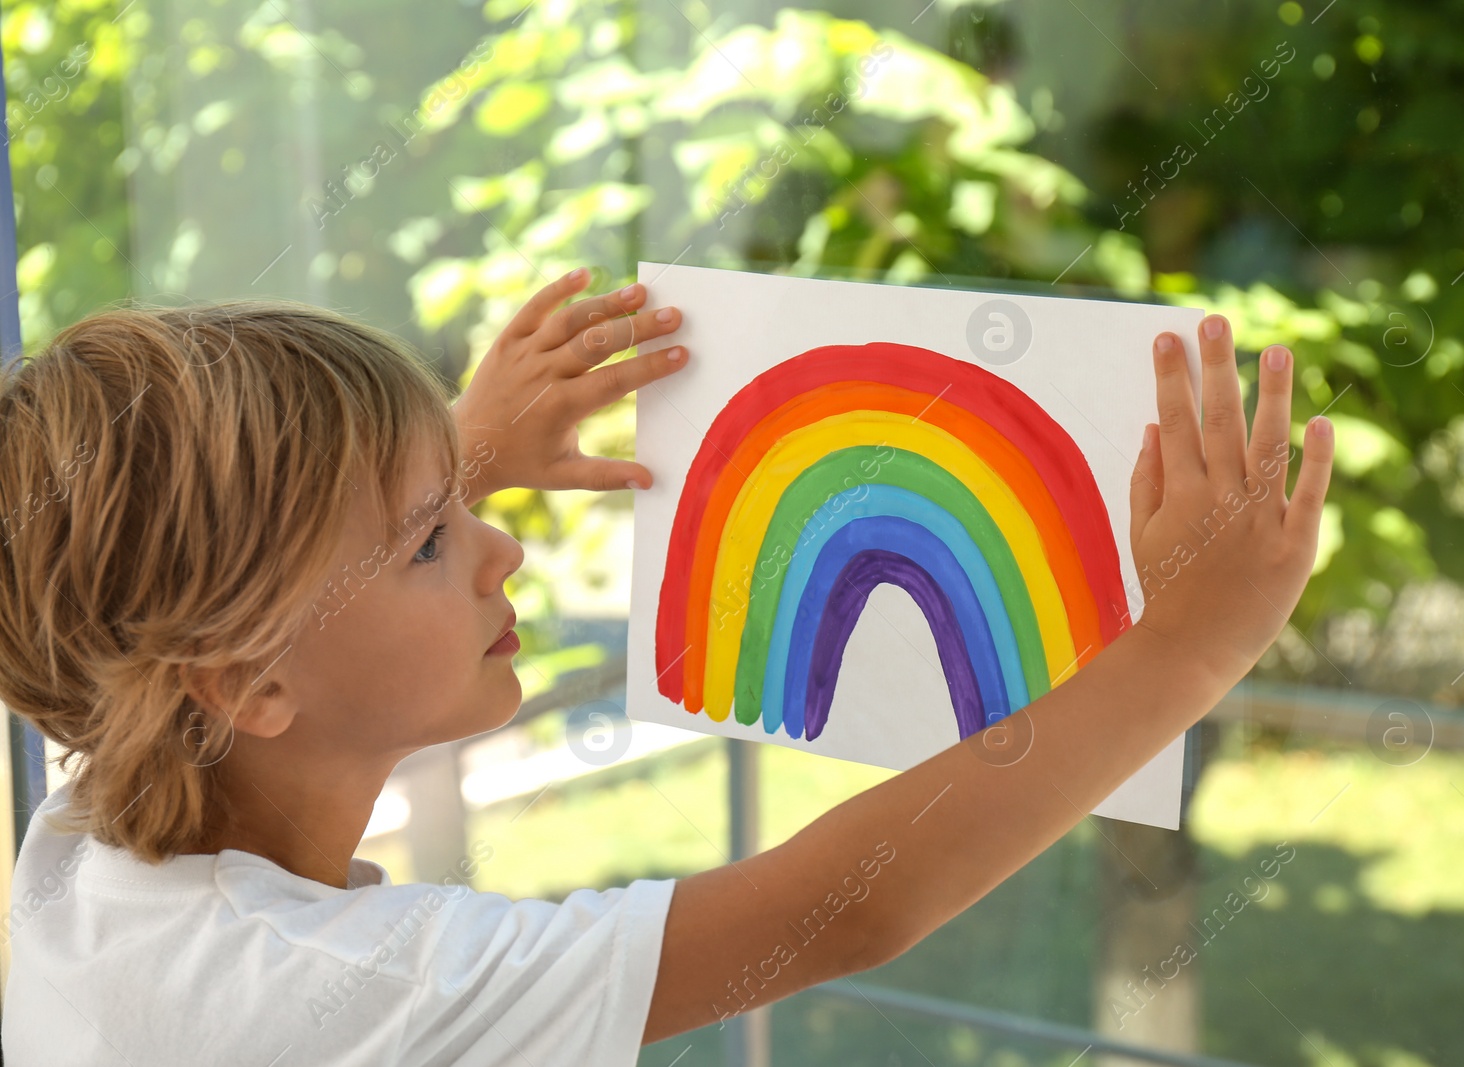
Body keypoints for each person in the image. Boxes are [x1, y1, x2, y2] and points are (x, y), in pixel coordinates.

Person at [0, 266, 1331, 1064]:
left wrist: (431, 470)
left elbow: (185, 602)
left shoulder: (90, 842)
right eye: (428, 541)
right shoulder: (344, 1001)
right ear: (241, 685)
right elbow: (848, 910)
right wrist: (1186, 645)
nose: (502, 546)